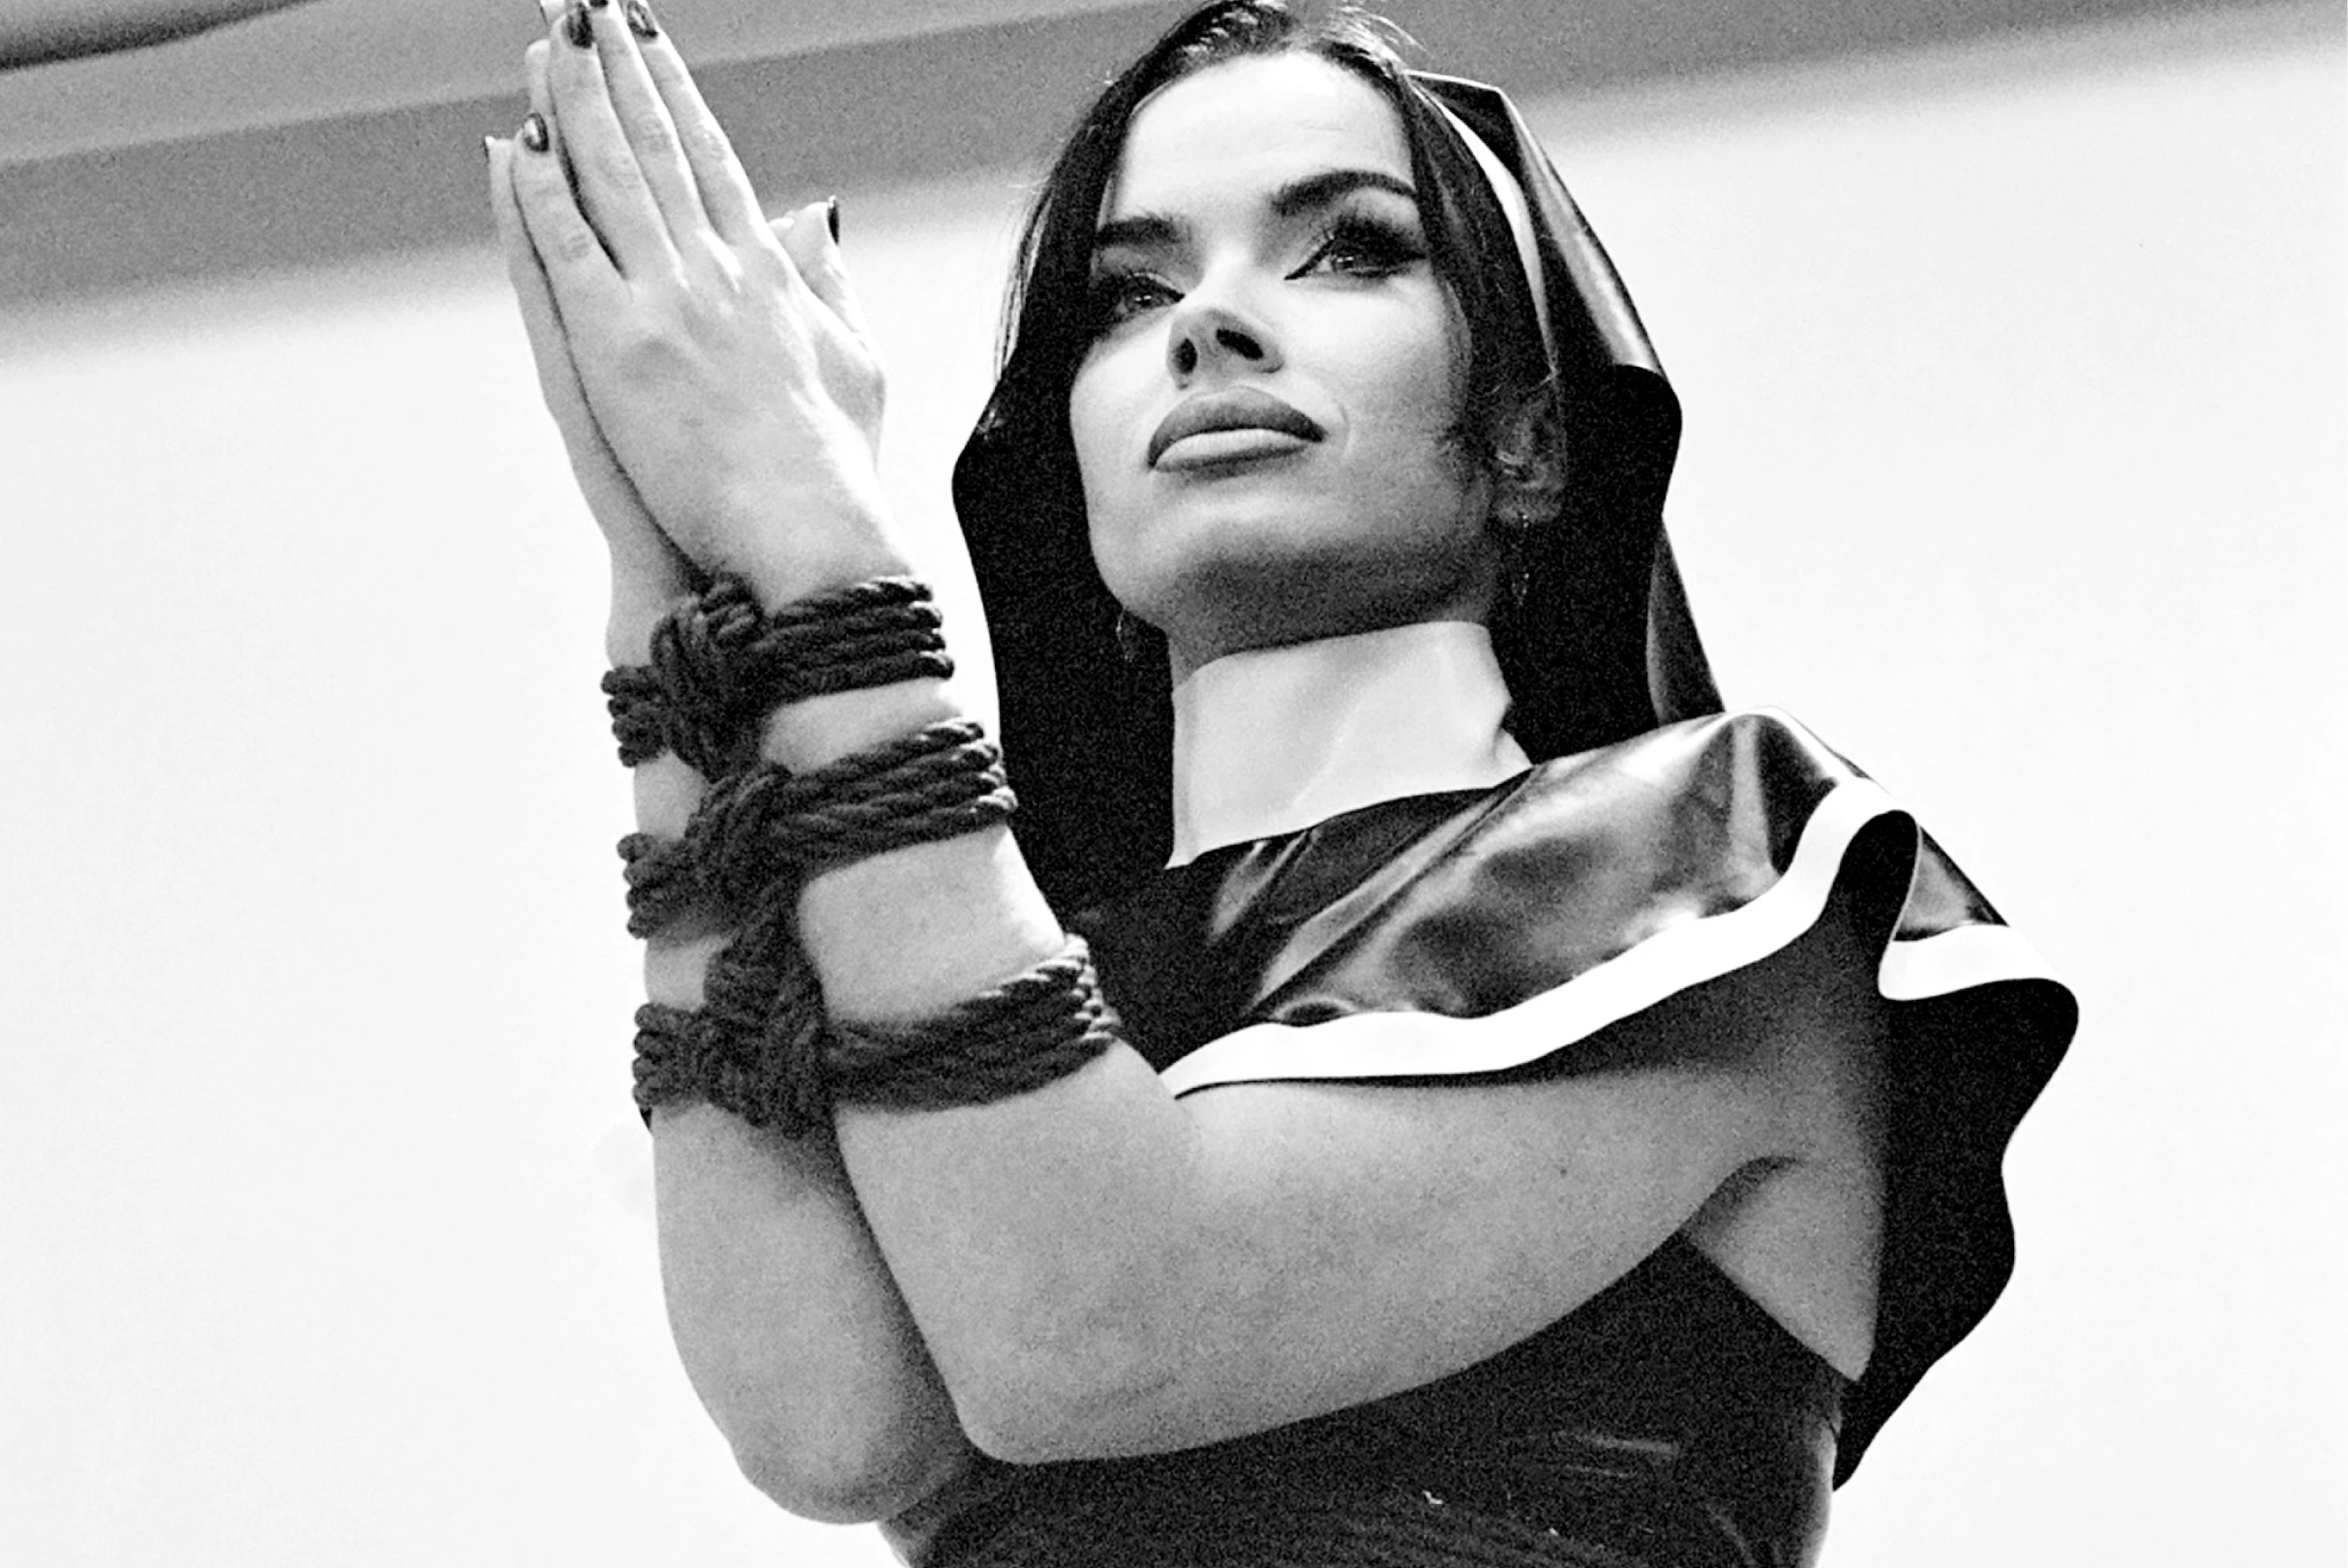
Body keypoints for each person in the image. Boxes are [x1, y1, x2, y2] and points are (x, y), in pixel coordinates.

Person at [487, 2, 2076, 1562]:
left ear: (1528, 440)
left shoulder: (1725, 873)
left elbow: (1091, 1335)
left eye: (1349, 250)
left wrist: (823, 551)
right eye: (1127, 293)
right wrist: (678, 597)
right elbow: (830, 1432)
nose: (1208, 325)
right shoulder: (1002, 965)